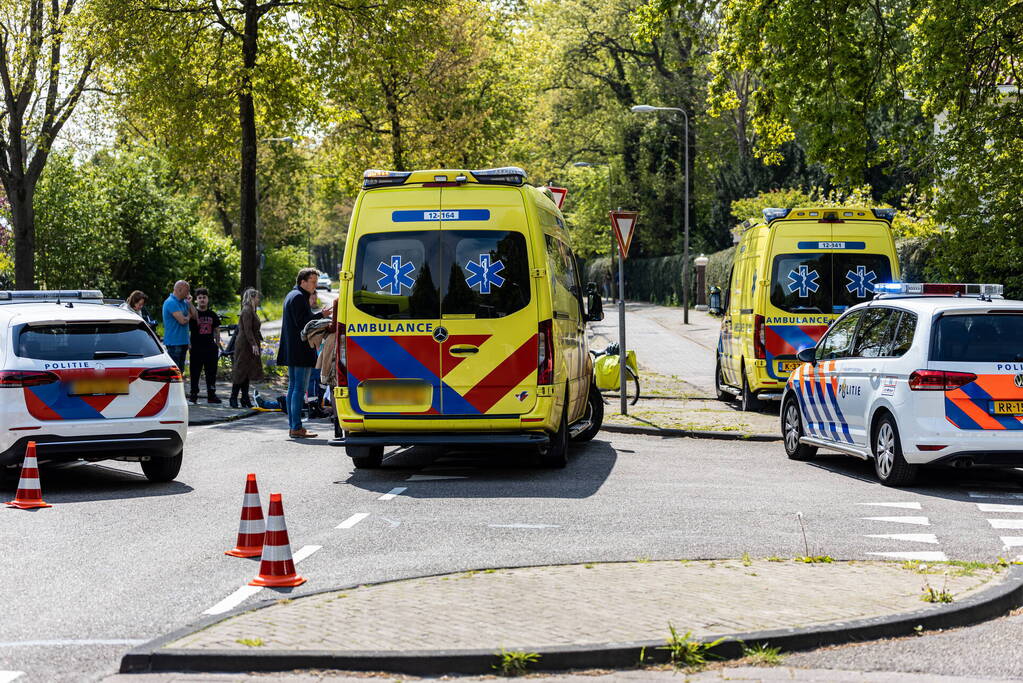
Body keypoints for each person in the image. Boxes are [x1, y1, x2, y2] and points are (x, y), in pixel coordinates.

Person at [277, 268, 331, 439]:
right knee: (299, 389)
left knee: (293, 388)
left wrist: (318, 315)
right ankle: (296, 427)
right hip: (300, 350)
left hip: (293, 350)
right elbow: (304, 324)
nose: (315, 285)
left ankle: (294, 426)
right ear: (303, 282)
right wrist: (321, 316)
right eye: (313, 282)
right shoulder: (299, 297)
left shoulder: (292, 295)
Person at [188, 287, 222, 405]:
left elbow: (217, 331)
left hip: (210, 348)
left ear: (208, 299)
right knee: (195, 373)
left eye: (204, 297)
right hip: (196, 348)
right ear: (196, 300)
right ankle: (193, 395)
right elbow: (187, 331)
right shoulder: (193, 314)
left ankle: (211, 395)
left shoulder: (212, 314)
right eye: (200, 298)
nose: (202, 300)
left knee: (211, 373)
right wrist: (189, 345)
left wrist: (217, 346)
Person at [231, 287, 264, 409]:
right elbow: (247, 329)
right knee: (240, 370)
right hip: (245, 344)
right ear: (252, 297)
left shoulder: (252, 310)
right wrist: (253, 344)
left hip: (249, 343)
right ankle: (233, 397)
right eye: (257, 297)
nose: (258, 299)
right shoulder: (246, 310)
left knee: (247, 371)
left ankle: (244, 398)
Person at [162, 280, 195, 371]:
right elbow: (183, 321)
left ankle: (179, 385)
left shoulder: (184, 302)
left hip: (183, 341)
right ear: (179, 290)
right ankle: (174, 386)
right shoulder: (171, 302)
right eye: (187, 291)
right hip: (174, 343)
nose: (188, 293)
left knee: (180, 371)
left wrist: (190, 303)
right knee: (175, 372)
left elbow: (195, 315)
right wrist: (189, 315)